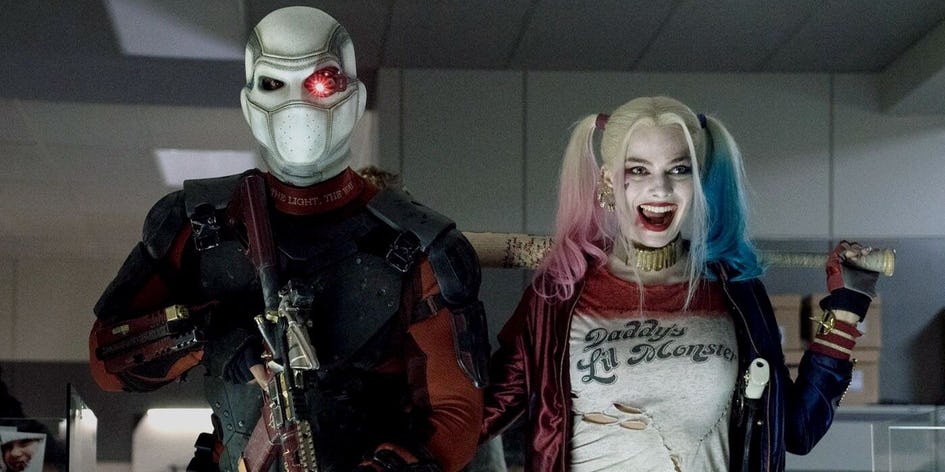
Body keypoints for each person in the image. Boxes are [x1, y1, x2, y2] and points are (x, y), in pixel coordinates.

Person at [89, 6, 488, 472]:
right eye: (274, 83)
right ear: (249, 102)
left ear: (354, 97)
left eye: (320, 81)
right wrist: (209, 334)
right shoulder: (195, 223)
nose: (298, 105)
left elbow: (456, 417)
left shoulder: (421, 246)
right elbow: (106, 359)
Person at [479, 96, 878, 471]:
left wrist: (848, 306)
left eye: (679, 169)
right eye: (638, 170)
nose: (661, 189)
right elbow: (479, 419)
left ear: (698, 181)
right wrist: (443, 302)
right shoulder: (558, 295)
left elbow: (797, 429)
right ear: (607, 181)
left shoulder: (736, 291)